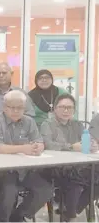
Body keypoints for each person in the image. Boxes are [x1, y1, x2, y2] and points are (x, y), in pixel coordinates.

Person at [0, 90, 53, 222]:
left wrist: (39, 146)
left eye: (20, 108)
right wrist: (24, 148)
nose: (16, 111)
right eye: (12, 107)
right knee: (9, 192)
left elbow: (39, 140)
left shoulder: (29, 121)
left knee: (46, 190)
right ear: (5, 107)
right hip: (4, 171)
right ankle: (2, 220)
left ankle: (18, 216)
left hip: (25, 170)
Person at [41, 93, 99, 221]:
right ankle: (70, 213)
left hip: (78, 166)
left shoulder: (77, 124)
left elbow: (86, 141)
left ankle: (71, 211)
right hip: (56, 167)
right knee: (76, 180)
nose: (66, 111)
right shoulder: (47, 124)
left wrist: (92, 144)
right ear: (55, 108)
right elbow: (48, 145)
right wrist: (72, 147)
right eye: (62, 107)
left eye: (70, 108)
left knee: (95, 178)